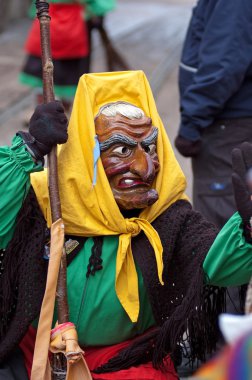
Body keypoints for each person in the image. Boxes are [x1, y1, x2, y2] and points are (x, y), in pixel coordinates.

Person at [1, 70, 252, 380]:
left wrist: (248, 229)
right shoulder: (46, 200)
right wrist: (29, 149)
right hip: (34, 354)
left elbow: (218, 264)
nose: (145, 168)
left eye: (149, 147)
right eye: (122, 150)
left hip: (124, 363)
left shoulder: (168, 219)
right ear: (84, 154)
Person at [174, 0, 252, 229]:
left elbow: (224, 64)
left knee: (221, 222)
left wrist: (192, 121)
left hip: (227, 125)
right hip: (233, 118)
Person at [19, 0, 90, 113]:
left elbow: (34, 9)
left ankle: (41, 112)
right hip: (71, 27)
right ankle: (63, 113)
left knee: (42, 74)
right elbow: (100, 5)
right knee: (68, 75)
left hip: (48, 22)